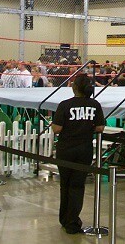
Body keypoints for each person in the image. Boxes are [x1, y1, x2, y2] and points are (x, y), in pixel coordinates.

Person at [52, 74, 105, 234]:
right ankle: (72, 220)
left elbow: (57, 129)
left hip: (66, 149)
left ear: (74, 87)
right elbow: (100, 127)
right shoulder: (95, 104)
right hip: (84, 150)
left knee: (65, 185)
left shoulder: (65, 105)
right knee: (77, 185)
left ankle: (65, 219)